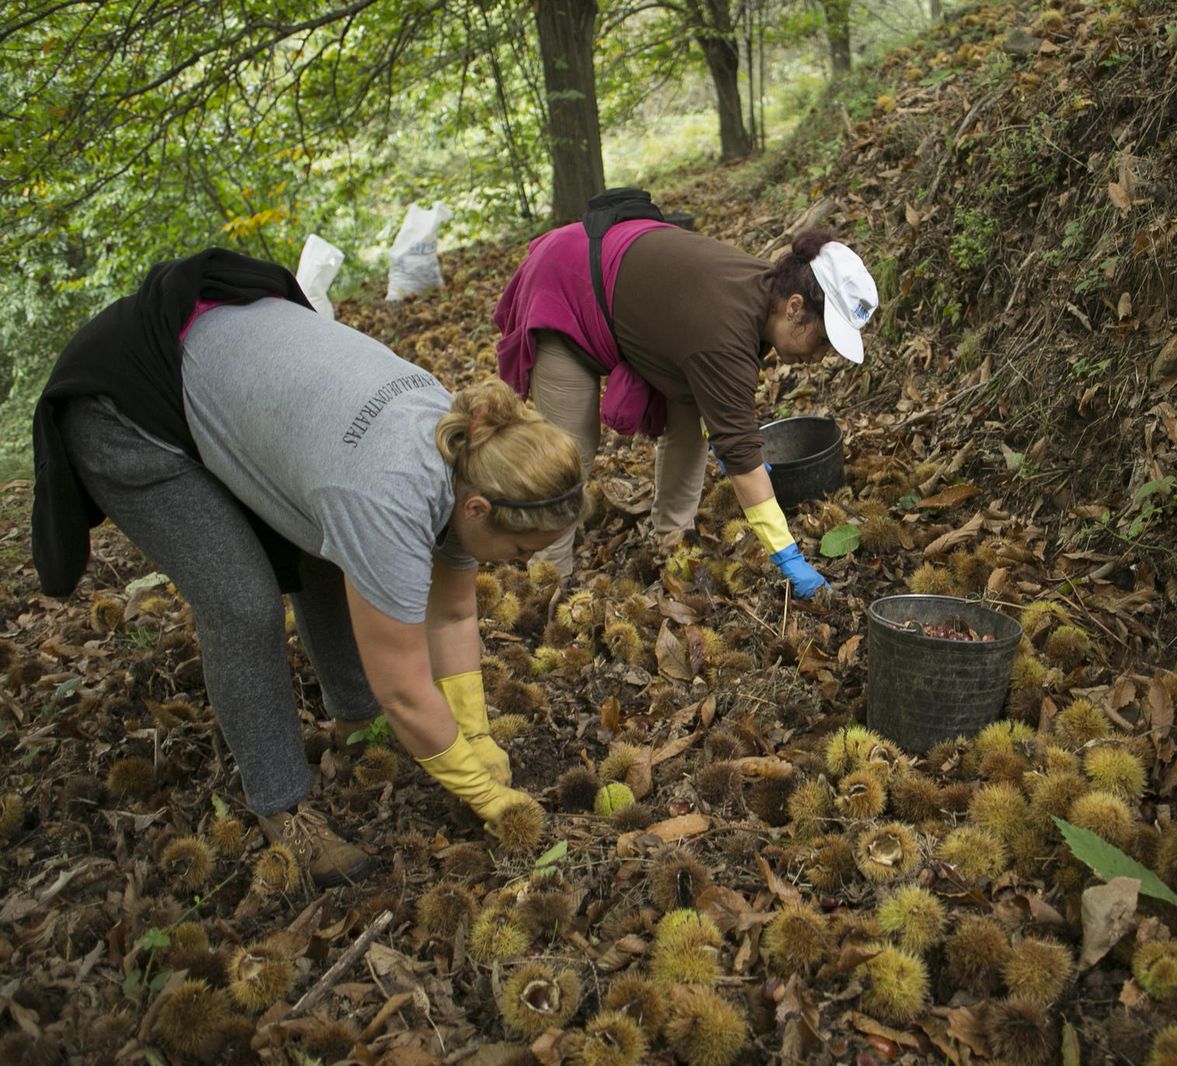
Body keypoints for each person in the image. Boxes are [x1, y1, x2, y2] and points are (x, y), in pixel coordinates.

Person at [32, 249, 583, 886]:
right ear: (479, 509)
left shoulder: (471, 453)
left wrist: (474, 732)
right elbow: (406, 687)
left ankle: (355, 720)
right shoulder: (385, 491)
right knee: (242, 603)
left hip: (223, 361)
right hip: (126, 403)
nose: (523, 565)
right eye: (521, 551)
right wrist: (481, 792)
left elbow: (453, 611)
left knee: (334, 549)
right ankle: (282, 805)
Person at [494, 221, 878, 597]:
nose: (820, 356)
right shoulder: (727, 328)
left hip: (618, 281)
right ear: (795, 307)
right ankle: (547, 578)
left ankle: (673, 539)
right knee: (571, 448)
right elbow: (740, 452)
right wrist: (787, 556)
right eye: (823, 340)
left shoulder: (764, 294)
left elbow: (716, 399)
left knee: (689, 418)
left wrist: (730, 436)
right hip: (566, 283)